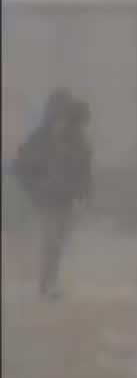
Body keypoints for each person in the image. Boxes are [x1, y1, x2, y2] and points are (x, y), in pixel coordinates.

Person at [11, 89, 93, 299]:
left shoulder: (77, 138)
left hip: (66, 199)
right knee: (52, 240)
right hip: (47, 200)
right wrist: (35, 188)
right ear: (51, 112)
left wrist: (84, 194)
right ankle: (48, 284)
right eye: (58, 110)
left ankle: (51, 280)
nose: (61, 115)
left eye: (64, 110)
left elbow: (84, 168)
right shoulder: (40, 137)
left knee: (59, 242)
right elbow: (20, 166)